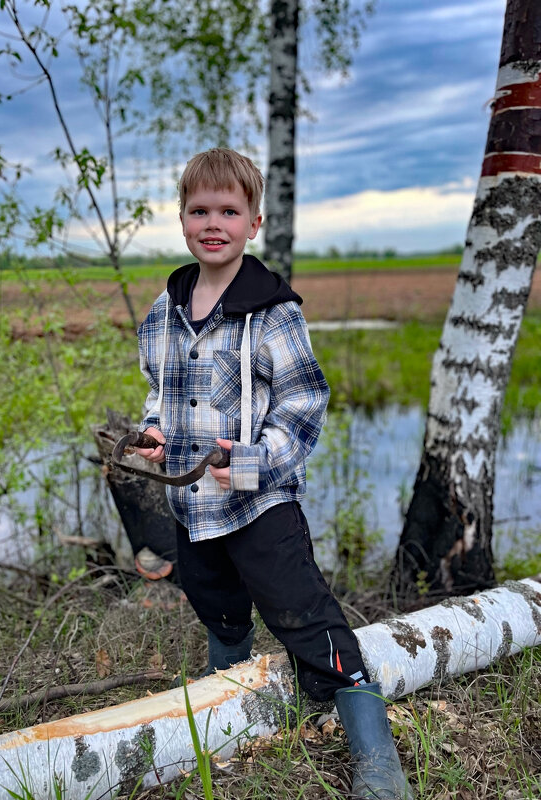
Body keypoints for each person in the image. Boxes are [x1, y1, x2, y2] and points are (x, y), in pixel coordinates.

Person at [135, 148, 413, 800]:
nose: (213, 222)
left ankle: (374, 749)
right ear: (182, 220)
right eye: (199, 210)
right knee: (216, 604)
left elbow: (303, 402)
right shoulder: (165, 310)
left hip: (260, 504)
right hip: (193, 503)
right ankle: (226, 699)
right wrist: (153, 433)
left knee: (302, 612)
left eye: (228, 210)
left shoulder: (273, 312)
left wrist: (254, 462)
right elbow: (160, 393)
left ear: (253, 222)